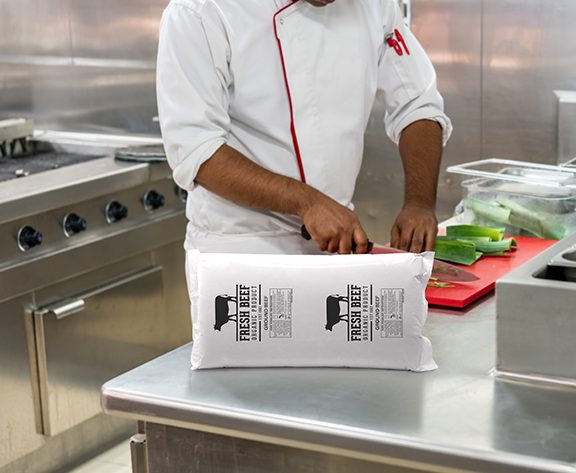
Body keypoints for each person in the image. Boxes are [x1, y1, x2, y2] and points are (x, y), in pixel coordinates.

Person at [157, 0, 452, 256]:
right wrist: (307, 203)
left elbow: (416, 104)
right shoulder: (199, 11)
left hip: (335, 245)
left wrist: (419, 203)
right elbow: (198, 151)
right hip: (244, 250)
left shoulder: (372, 5)